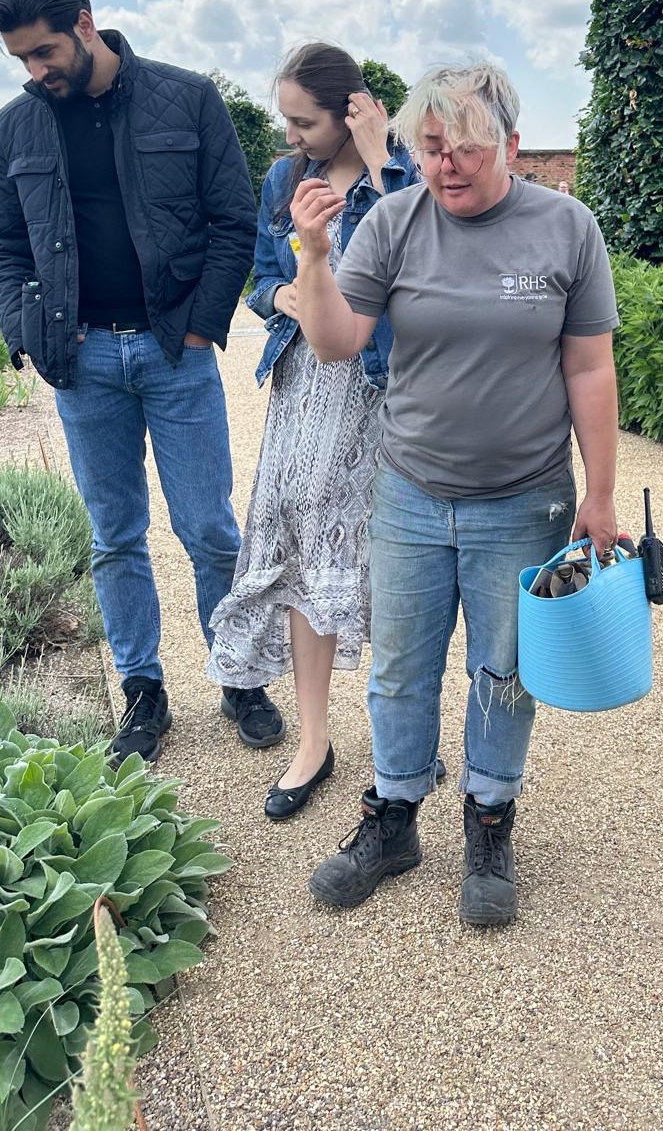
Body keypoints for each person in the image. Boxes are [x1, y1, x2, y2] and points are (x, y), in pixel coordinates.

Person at [291, 63, 620, 926]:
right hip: (409, 492)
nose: (446, 167)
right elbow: (334, 343)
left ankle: (488, 818)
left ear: (511, 144)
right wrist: (315, 257)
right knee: (400, 668)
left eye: (466, 149)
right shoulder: (393, 223)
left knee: (505, 674)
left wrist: (602, 494)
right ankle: (394, 816)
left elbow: (589, 366)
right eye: (429, 149)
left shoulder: (567, 228)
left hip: (524, 497)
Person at [0, 0, 284, 764]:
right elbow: (3, 246)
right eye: (22, 62)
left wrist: (198, 327)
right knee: (115, 536)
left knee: (210, 528)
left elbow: (233, 221)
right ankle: (142, 693)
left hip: (172, 353)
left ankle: (239, 673)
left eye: (44, 52)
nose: (36, 73)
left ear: (84, 22)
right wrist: (30, 335)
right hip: (80, 364)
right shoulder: (17, 125)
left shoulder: (186, 98)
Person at [205, 43, 421, 820]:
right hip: (302, 382)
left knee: (371, 557)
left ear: (352, 110)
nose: (292, 135)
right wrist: (278, 299)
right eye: (286, 120)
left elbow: (429, 256)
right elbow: (263, 273)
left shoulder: (406, 175)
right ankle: (315, 737)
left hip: (375, 388)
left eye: (305, 122)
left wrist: (383, 159)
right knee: (299, 542)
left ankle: (398, 743)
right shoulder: (282, 178)